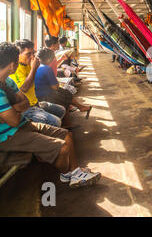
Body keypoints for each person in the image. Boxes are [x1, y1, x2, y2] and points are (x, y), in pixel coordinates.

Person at [0, 42, 101, 188]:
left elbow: (25, 101)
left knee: (67, 135)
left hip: (24, 122)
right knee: (63, 148)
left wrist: (13, 107)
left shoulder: (8, 81)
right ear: (11, 64)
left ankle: (75, 172)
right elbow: (14, 120)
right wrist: (18, 107)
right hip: (8, 135)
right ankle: (66, 173)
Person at [9, 39, 67, 128]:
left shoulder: (29, 65)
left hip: (36, 102)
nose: (32, 57)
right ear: (18, 55)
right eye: (28, 54)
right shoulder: (15, 69)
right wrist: (33, 69)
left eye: (33, 53)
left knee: (61, 110)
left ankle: (55, 132)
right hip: (27, 108)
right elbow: (24, 88)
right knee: (56, 122)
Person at [35, 48, 92, 119]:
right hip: (44, 96)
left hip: (39, 94)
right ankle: (68, 122)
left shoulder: (37, 67)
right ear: (49, 58)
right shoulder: (46, 68)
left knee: (65, 92)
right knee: (65, 96)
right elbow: (55, 87)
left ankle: (80, 107)